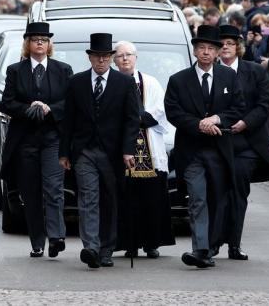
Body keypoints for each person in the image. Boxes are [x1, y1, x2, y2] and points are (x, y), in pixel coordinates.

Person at [164, 25, 245, 268]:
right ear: (195, 51)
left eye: (211, 48)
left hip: (219, 150)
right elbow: (173, 112)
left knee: (217, 198)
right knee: (197, 198)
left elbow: (238, 108)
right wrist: (199, 124)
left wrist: (218, 119)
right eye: (202, 48)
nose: (206, 53)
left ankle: (210, 246)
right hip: (191, 150)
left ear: (218, 52)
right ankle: (200, 249)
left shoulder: (229, 77)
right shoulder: (178, 80)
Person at [59, 33, 139, 268]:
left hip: (112, 152)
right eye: (97, 56)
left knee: (109, 200)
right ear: (90, 58)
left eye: (105, 56)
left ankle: (106, 249)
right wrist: (64, 152)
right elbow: (68, 120)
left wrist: (128, 150)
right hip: (84, 151)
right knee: (88, 198)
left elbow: (132, 119)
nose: (101, 60)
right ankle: (91, 247)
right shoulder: (76, 82)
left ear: (111, 58)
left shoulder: (124, 83)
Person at [0, 22, 73, 258]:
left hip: (53, 139)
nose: (39, 42)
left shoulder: (63, 70)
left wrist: (50, 108)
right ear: (27, 44)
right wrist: (28, 107)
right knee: (30, 193)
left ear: (49, 44)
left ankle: (57, 237)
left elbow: (71, 103)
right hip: (25, 141)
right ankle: (37, 241)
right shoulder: (15, 70)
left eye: (44, 39)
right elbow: (7, 102)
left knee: (54, 189)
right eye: (35, 39)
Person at [215, 25, 269, 260]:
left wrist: (244, 123)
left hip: (247, 144)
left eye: (230, 44)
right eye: (221, 44)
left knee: (237, 192)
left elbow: (264, 105)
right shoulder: (210, 72)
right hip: (217, 142)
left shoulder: (254, 72)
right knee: (218, 193)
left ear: (238, 47)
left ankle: (233, 243)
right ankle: (213, 242)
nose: (225, 48)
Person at [112, 40, 175, 259]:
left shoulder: (150, 82)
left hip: (148, 142)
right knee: (127, 199)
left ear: (136, 57)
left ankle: (151, 243)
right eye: (120, 56)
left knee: (152, 198)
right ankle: (129, 243)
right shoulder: (112, 82)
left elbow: (160, 108)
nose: (125, 59)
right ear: (114, 59)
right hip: (122, 147)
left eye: (129, 54)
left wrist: (138, 119)